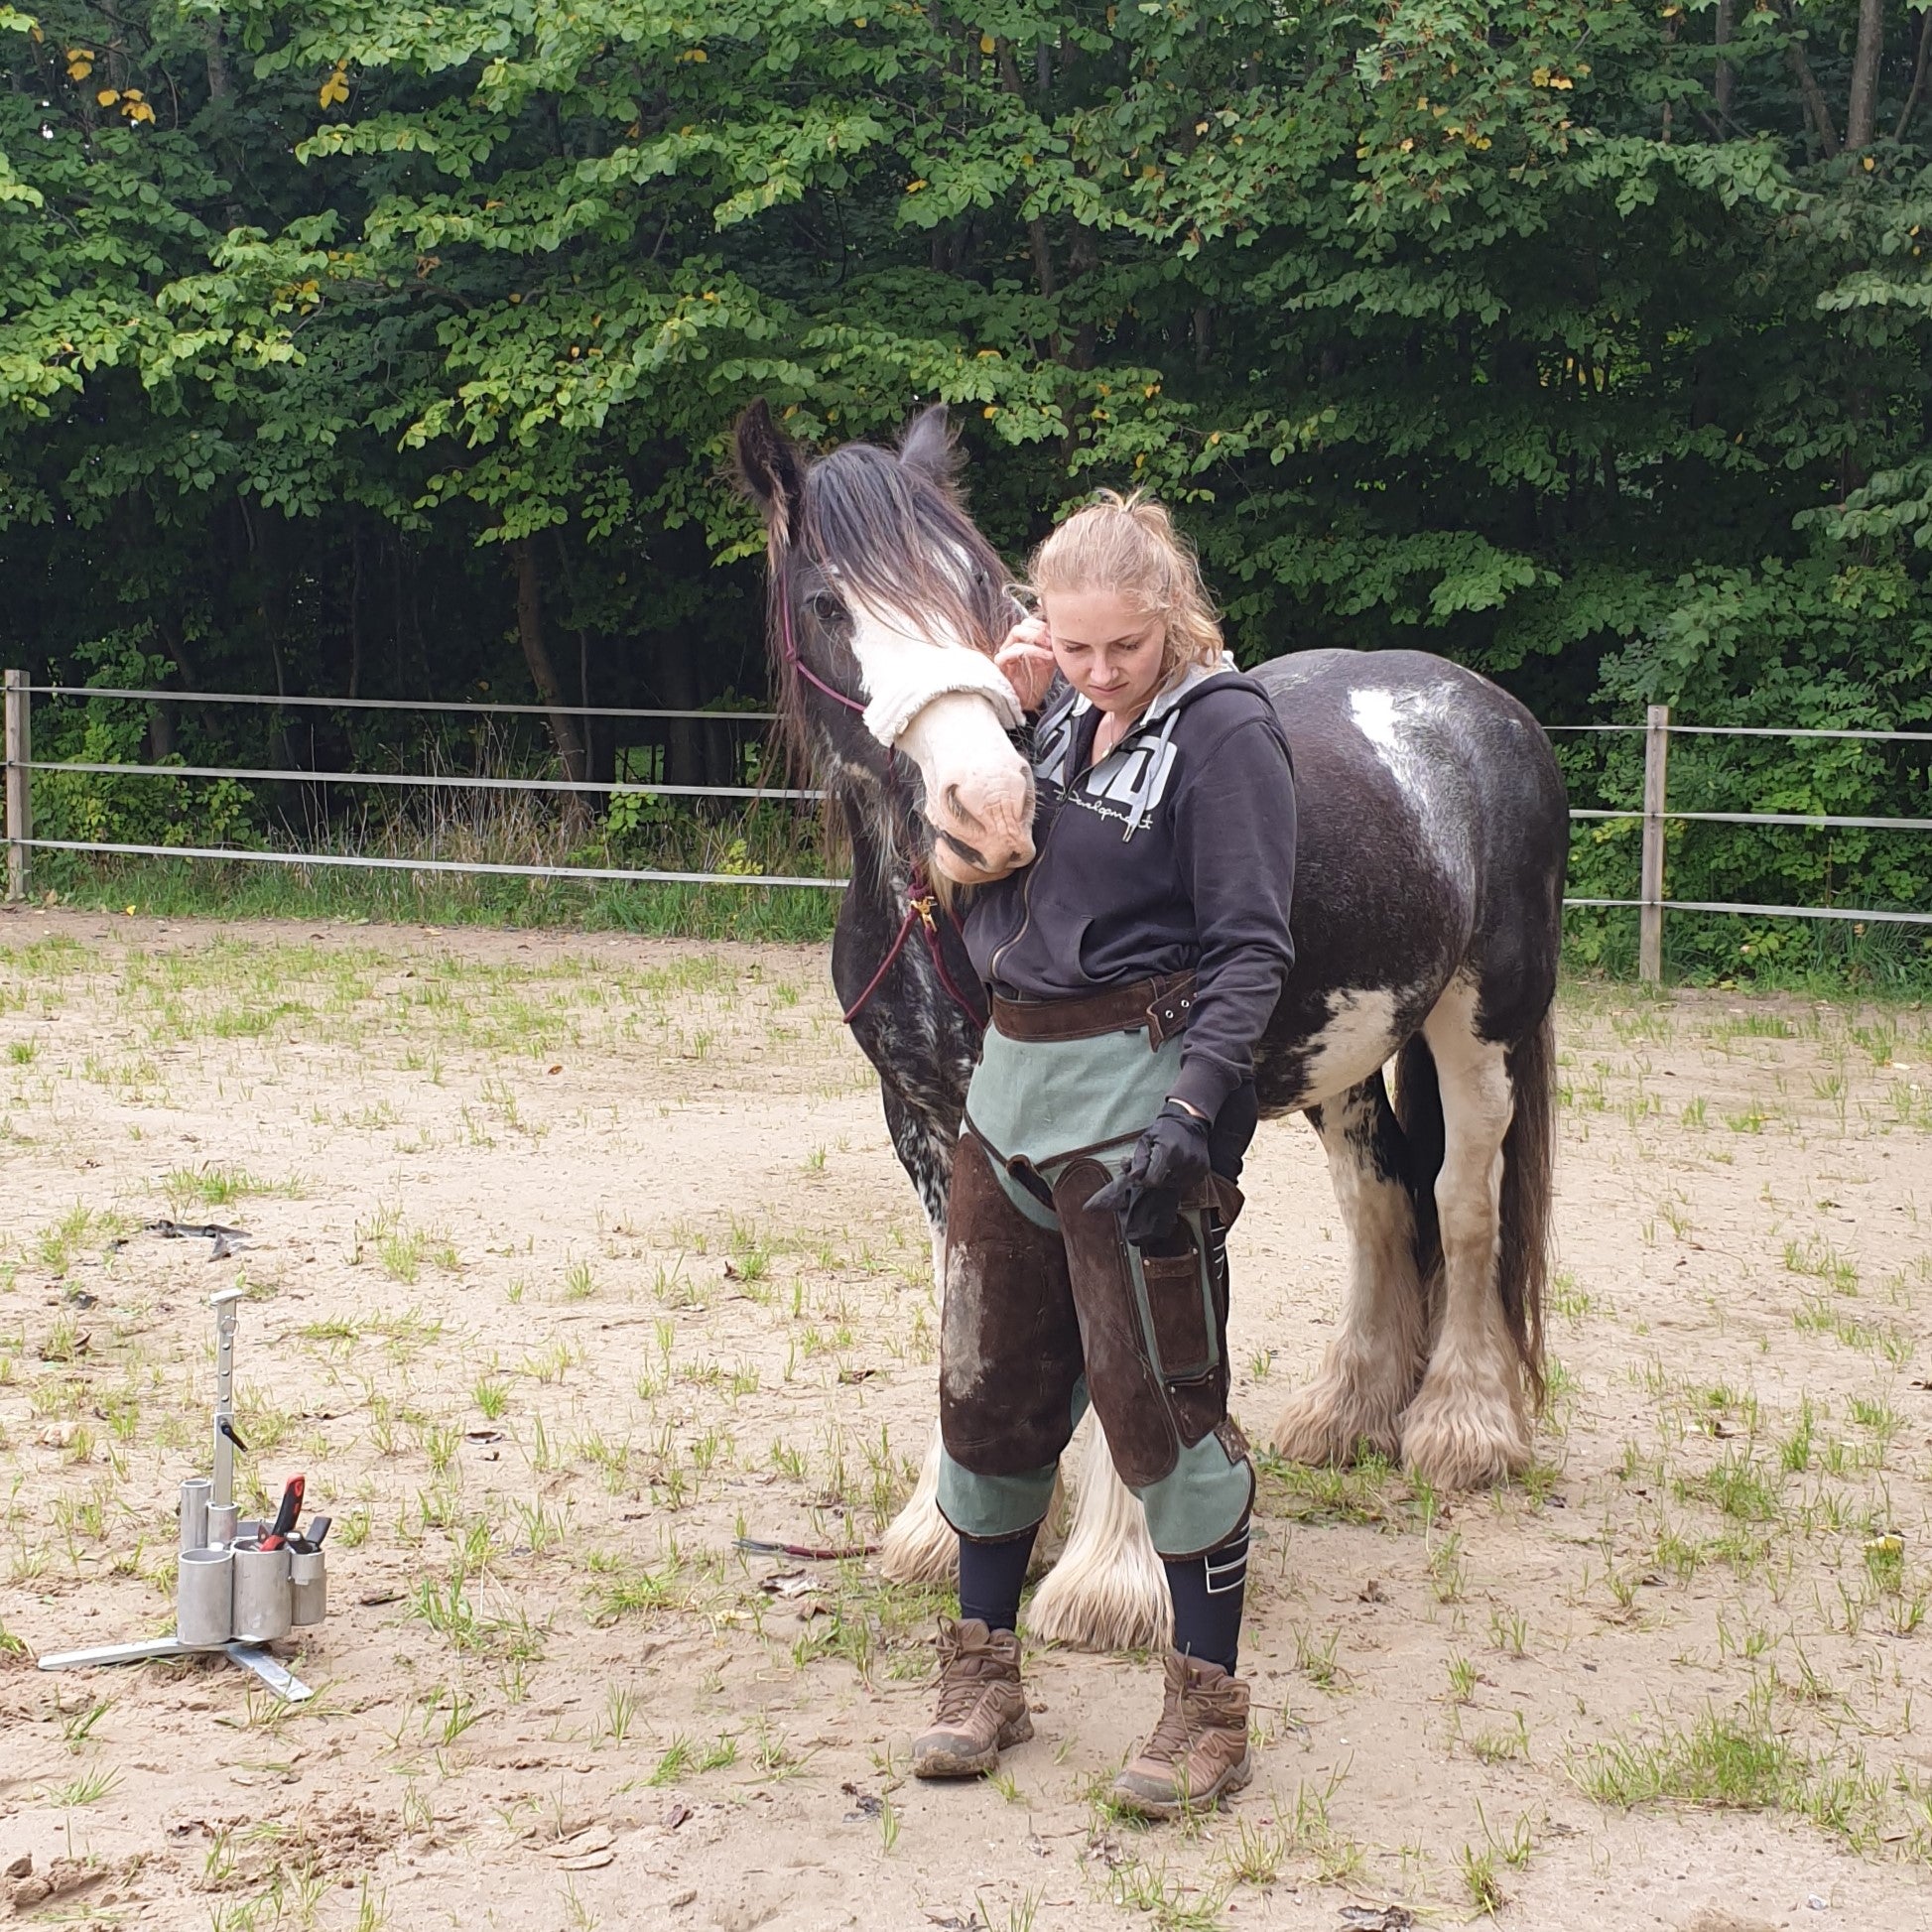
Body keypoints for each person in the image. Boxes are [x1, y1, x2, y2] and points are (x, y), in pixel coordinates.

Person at [911, 491, 1297, 1819]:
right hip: (1007, 1097)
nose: (1097, 672)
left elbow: (1253, 948)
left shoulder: (1228, 733)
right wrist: (1020, 709)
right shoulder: (1056, 726)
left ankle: (1207, 1706)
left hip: (1134, 1101)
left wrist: (1192, 1115)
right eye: (1072, 646)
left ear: (1170, 617)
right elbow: (991, 878)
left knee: (1161, 1406)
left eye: (1120, 648)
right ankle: (984, 1677)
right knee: (985, 1391)